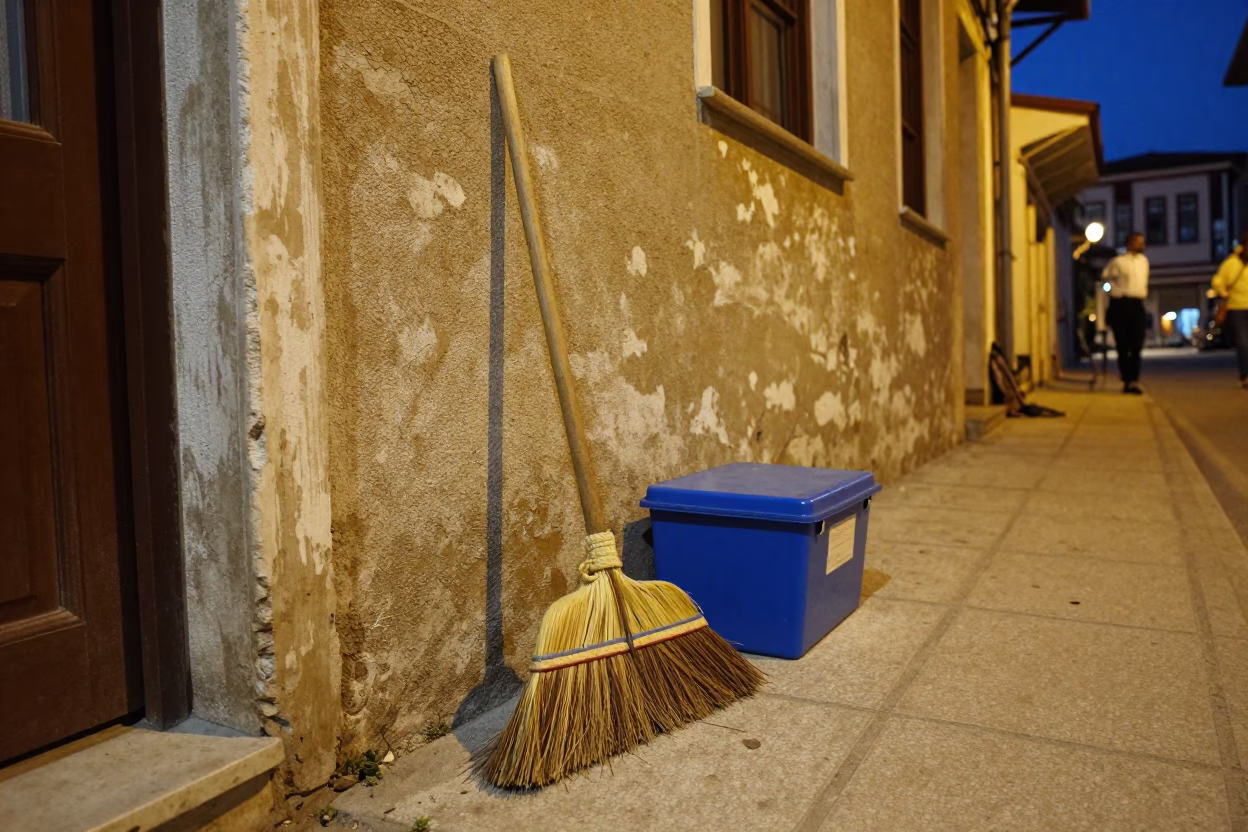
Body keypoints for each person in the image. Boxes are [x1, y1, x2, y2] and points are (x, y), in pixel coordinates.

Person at [1102, 231, 1150, 394]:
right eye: (1139, 242)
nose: (1142, 245)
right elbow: (1105, 280)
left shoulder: (1144, 261)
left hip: (1137, 303)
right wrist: (1111, 292)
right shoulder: (1118, 262)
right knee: (1123, 344)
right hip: (1121, 303)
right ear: (1130, 244)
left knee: (1137, 343)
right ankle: (1127, 380)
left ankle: (1134, 378)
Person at [1211, 230, 1248, 389]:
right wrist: (1222, 291)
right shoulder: (1231, 263)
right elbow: (1217, 280)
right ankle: (1245, 375)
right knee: (1243, 343)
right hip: (1236, 307)